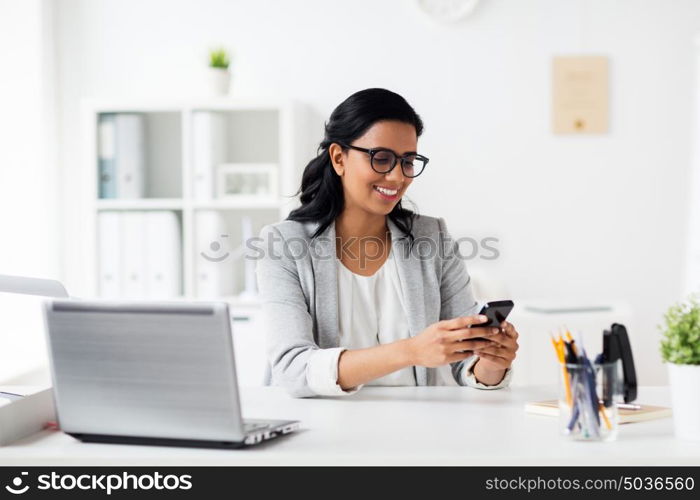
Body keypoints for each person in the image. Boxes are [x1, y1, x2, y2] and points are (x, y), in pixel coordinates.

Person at [256, 88, 519, 398]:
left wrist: (492, 361)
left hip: (416, 431)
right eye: (381, 158)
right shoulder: (284, 244)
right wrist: (412, 351)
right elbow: (293, 369)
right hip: (321, 430)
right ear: (339, 158)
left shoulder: (431, 238)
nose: (396, 177)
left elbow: (466, 365)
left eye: (408, 161)